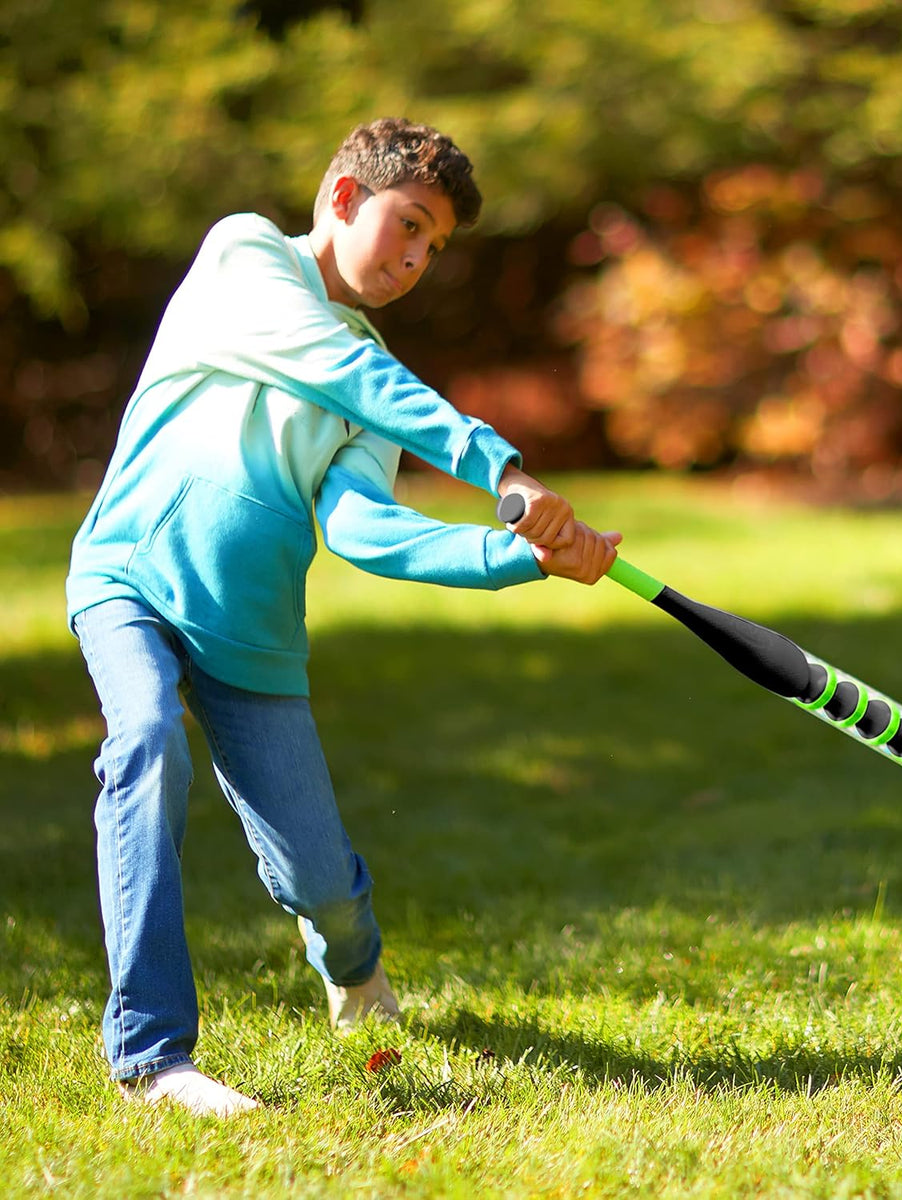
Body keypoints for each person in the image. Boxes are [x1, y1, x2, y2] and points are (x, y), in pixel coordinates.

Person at [66, 117, 621, 1117]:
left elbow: (368, 530)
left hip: (251, 632)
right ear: (342, 197)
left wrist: (519, 554)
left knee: (321, 883)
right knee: (145, 739)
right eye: (408, 224)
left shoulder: (375, 383)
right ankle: (151, 1057)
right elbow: (339, 367)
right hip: (128, 576)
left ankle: (355, 970)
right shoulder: (247, 260)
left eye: (433, 247)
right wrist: (495, 463)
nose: (414, 259)